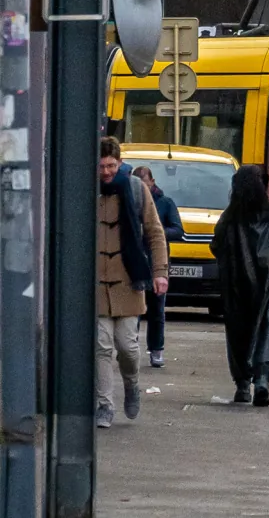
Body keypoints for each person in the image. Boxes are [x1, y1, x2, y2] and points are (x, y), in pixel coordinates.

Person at [97, 137, 168, 430]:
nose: (106, 172)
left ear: (120, 163)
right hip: (97, 284)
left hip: (129, 280)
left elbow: (154, 232)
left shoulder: (136, 190)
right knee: (101, 347)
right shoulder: (85, 190)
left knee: (127, 347)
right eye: (101, 166)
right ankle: (104, 406)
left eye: (111, 165)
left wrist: (160, 271)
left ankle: (132, 385)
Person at [211, 164, 269, 407]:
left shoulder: (230, 217)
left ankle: (242, 386)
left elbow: (216, 246)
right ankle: (262, 381)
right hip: (266, 283)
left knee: (239, 335)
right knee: (265, 331)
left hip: (236, 286)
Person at [133, 165, 184, 368]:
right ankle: (132, 347)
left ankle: (156, 349)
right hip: (136, 261)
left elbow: (178, 230)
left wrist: (155, 231)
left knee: (156, 310)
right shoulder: (131, 201)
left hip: (156, 262)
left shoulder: (165, 203)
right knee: (134, 309)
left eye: (144, 184)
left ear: (152, 182)